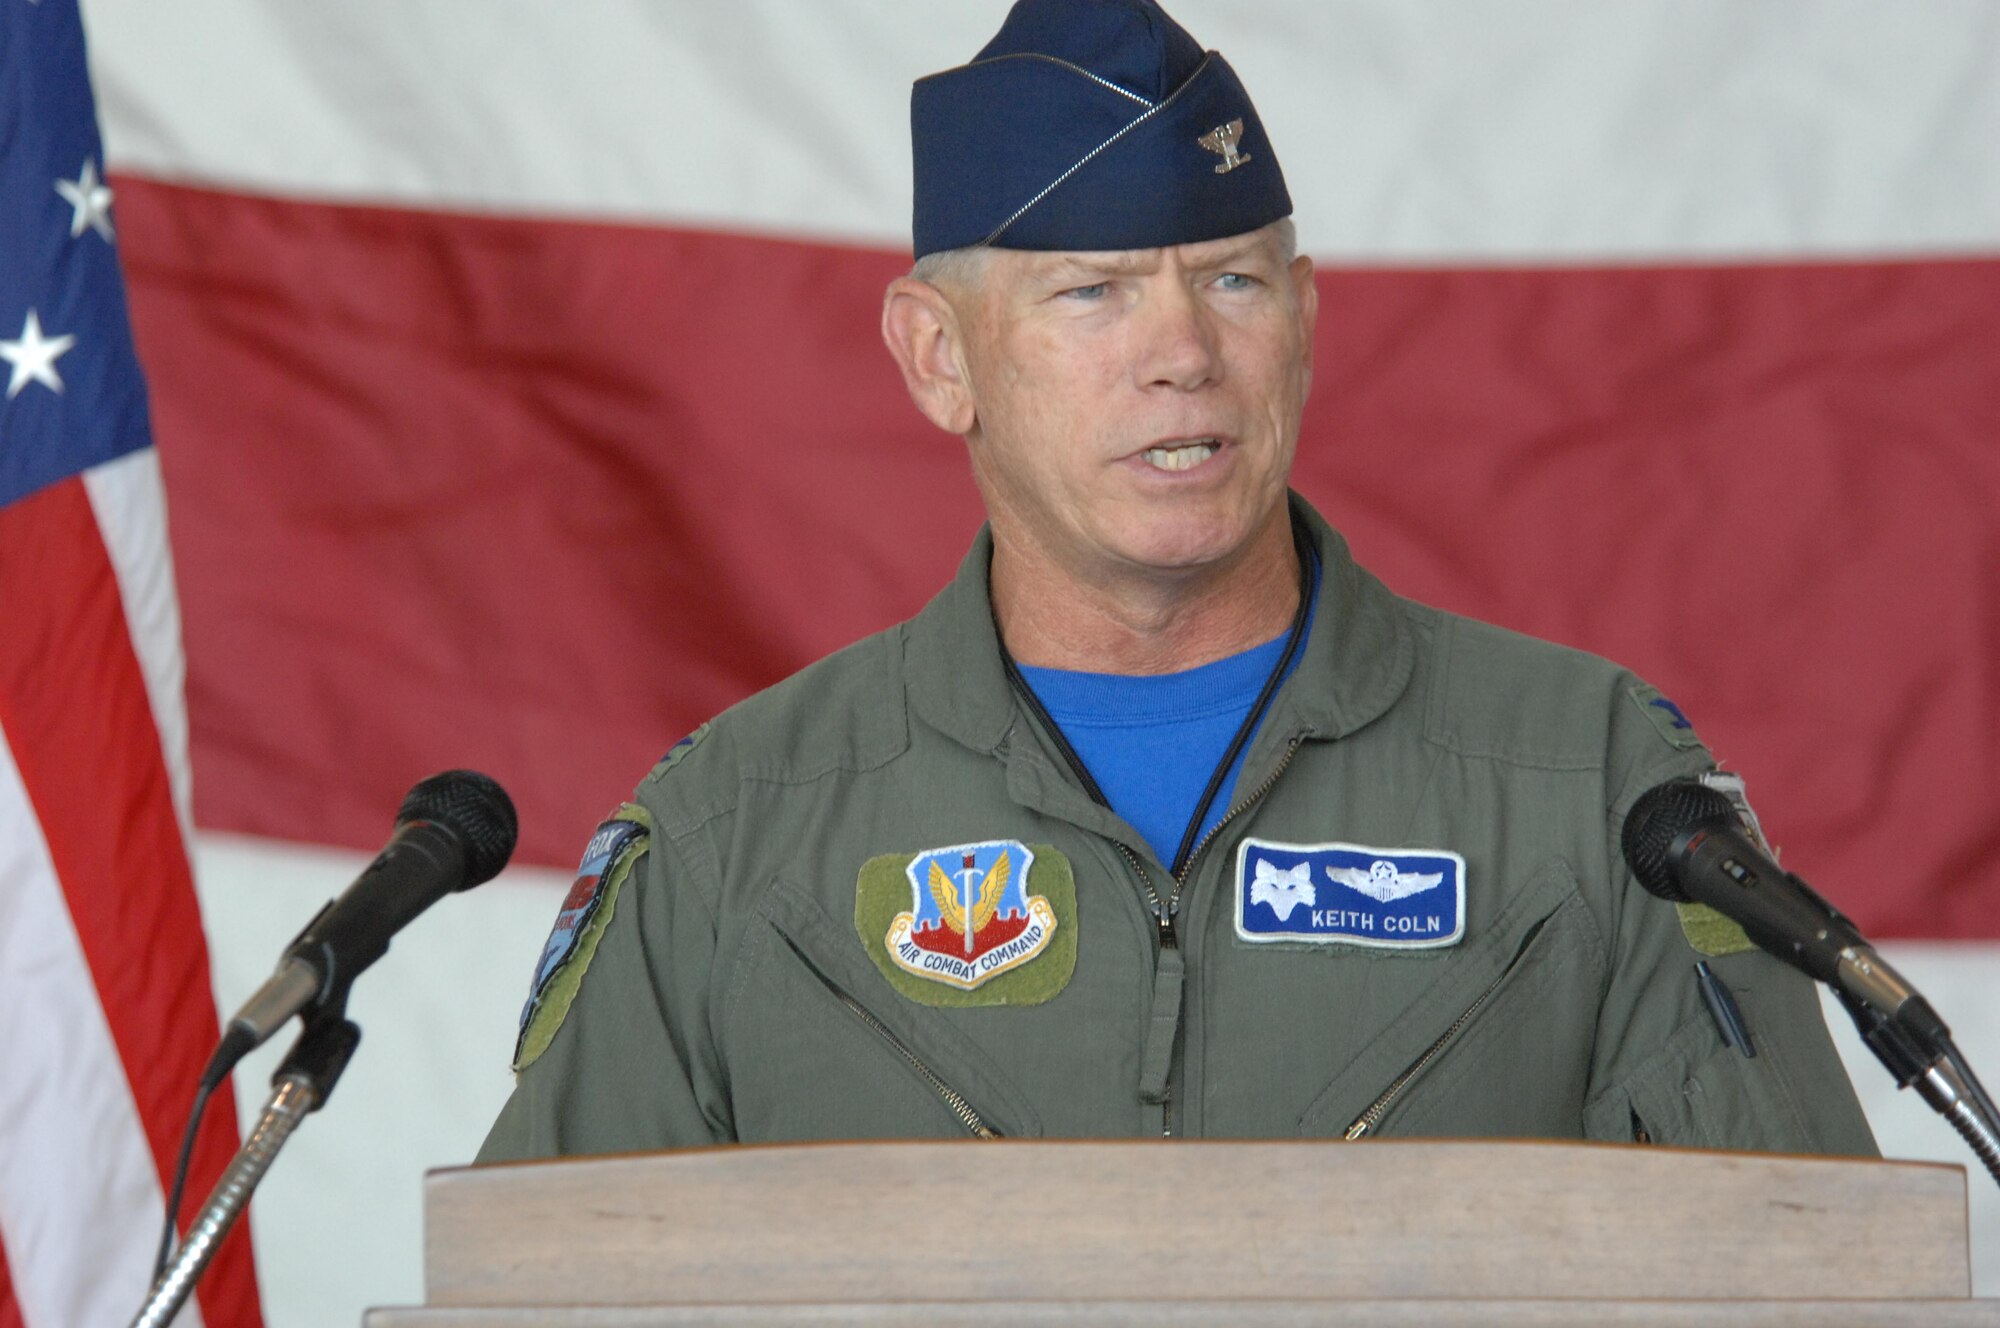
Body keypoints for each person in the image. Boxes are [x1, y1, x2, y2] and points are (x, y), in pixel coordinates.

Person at [479, 0, 1875, 1160]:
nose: (1183, 354)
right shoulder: (733, 836)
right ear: (936, 357)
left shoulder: (1597, 787)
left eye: (1233, 284)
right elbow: (540, 1298)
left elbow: (1807, 1286)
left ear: (1307, 318)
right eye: (1091, 292)